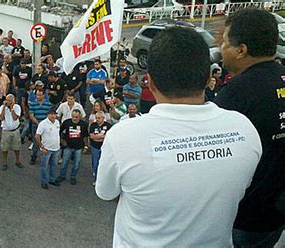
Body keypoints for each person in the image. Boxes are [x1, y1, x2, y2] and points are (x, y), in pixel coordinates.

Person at [95, 27, 262, 247]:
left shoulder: (123, 137)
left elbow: (107, 193)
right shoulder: (244, 130)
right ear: (208, 78)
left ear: (150, 82)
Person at [213, 9, 285, 247]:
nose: (221, 49)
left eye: (224, 42)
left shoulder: (235, 94)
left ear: (241, 50)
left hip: (244, 218)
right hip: (276, 213)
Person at [56, 109, 88, 185]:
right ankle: (62, 175)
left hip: (79, 147)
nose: (74, 118)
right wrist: (61, 140)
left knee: (77, 164)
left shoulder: (83, 124)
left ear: (79, 117)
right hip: (68, 146)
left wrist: (86, 146)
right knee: (64, 163)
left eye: (76, 117)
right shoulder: (67, 122)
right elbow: (59, 131)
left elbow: (86, 136)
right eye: (73, 116)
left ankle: (73, 176)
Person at [35, 108, 61, 189]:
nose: (53, 116)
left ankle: (52, 180)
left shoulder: (57, 122)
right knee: (44, 167)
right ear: (47, 115)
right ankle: (44, 181)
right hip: (46, 149)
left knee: (53, 165)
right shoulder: (43, 124)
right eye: (51, 114)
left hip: (56, 149)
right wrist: (41, 147)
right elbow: (37, 136)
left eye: (54, 114)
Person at [0, 94, 22, 170]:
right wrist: (5, 107)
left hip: (15, 130)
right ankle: (4, 162)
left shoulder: (17, 107)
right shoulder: (2, 107)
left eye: (10, 100)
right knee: (5, 148)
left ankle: (17, 161)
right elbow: (1, 118)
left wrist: (12, 108)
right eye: (7, 100)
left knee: (17, 147)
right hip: (6, 131)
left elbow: (15, 118)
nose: (9, 102)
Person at [28, 90, 52, 165]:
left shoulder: (48, 104)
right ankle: (33, 157)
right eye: (37, 95)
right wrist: (39, 123)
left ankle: (47, 157)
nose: (39, 96)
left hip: (46, 126)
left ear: (43, 95)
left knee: (47, 142)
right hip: (36, 125)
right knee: (36, 142)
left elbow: (49, 114)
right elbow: (31, 116)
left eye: (40, 95)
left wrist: (44, 124)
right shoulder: (33, 104)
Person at [89, 111, 111, 186]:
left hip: (105, 148)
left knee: (104, 164)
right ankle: (96, 179)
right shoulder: (93, 125)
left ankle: (104, 179)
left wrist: (97, 137)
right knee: (95, 163)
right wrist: (102, 136)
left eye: (99, 118)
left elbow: (108, 137)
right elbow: (91, 137)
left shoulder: (108, 126)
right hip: (95, 147)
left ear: (103, 118)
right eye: (96, 118)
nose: (97, 119)